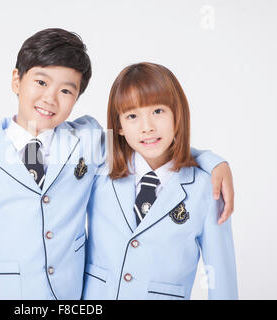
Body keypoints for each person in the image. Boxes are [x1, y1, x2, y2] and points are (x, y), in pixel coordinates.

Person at [0, 28, 235, 300]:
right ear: (16, 80)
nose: (50, 98)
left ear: (77, 98)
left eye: (66, 91)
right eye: (41, 82)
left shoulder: (89, 141)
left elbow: (148, 146)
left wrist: (215, 162)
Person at [83, 62, 237, 300]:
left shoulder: (208, 189)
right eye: (132, 116)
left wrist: (214, 161)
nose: (147, 127)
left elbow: (223, 284)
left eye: (158, 111)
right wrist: (212, 159)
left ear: (177, 114)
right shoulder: (100, 167)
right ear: (120, 126)